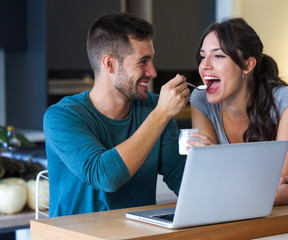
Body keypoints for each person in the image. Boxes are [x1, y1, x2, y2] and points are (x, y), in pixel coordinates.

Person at [43, 12, 190, 217]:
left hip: (136, 234)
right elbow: (104, 176)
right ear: (110, 64)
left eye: (152, 60)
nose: (153, 72)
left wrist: (205, 164)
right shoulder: (61, 116)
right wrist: (161, 114)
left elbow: (178, 175)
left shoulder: (155, 107)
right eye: (142, 62)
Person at [189, 18, 288, 205]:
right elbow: (209, 186)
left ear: (247, 65)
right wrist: (266, 195)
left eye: (218, 56)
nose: (204, 66)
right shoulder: (200, 100)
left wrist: (221, 167)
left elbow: (284, 182)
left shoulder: (286, 100)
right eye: (203, 56)